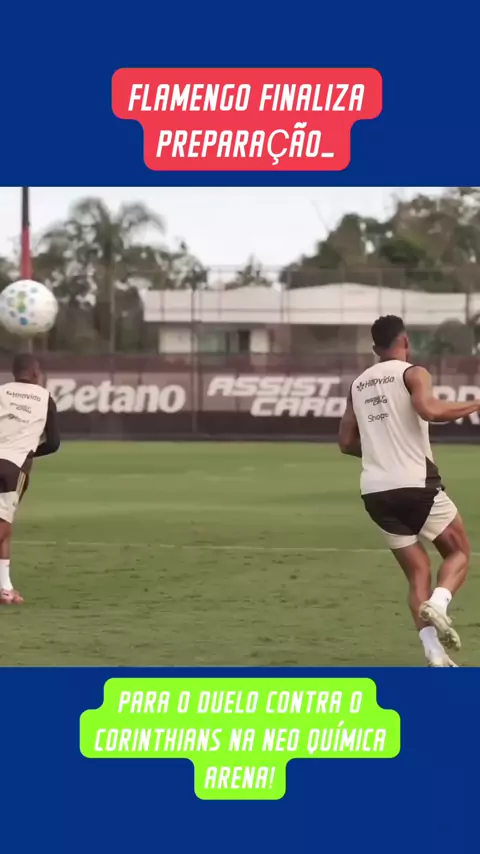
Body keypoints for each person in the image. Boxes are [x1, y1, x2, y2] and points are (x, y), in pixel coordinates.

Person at [338, 315, 480, 667]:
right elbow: (430, 410)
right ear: (405, 341)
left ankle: (434, 653)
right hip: (415, 484)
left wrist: (380, 451)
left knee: (418, 572)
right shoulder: (413, 373)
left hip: (375, 492)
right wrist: (475, 403)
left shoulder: (358, 385)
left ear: (376, 348)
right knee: (459, 552)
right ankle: (439, 603)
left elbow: (346, 443)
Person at [0, 353, 60, 604]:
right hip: (13, 469)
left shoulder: (2, 391)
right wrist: (30, 451)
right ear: (36, 373)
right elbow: (53, 443)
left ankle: (5, 588)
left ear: (15, 373)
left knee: (5, 527)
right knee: (3, 525)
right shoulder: (45, 398)